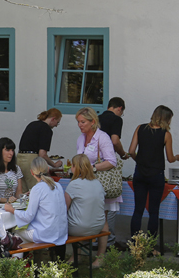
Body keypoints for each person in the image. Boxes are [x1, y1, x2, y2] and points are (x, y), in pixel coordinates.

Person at [128, 105, 179, 238]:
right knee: (154, 211)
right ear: (166, 119)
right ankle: (150, 245)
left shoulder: (140, 128)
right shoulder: (166, 134)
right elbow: (170, 158)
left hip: (140, 173)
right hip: (157, 174)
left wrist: (139, 160)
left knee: (138, 210)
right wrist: (178, 157)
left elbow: (131, 151)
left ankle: (135, 243)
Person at [76, 107, 122, 242]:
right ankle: (82, 251)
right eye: (78, 122)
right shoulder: (80, 138)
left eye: (83, 122)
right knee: (83, 217)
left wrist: (93, 168)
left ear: (93, 122)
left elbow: (112, 161)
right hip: (85, 184)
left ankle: (101, 255)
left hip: (100, 184)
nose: (80, 125)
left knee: (101, 218)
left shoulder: (102, 137)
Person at [5, 157, 68, 250]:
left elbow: (28, 216)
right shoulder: (57, 185)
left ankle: (22, 262)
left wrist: (12, 210)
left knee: (16, 232)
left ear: (32, 172)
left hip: (46, 233)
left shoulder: (37, 188)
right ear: (48, 169)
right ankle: (35, 259)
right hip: (61, 232)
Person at [64, 154, 108, 268]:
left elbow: (64, 208)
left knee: (69, 217)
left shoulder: (73, 184)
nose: (70, 169)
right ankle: (100, 258)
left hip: (79, 228)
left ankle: (75, 256)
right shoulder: (98, 183)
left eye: (72, 166)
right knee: (102, 219)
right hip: (98, 227)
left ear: (76, 167)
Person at [99, 97, 127, 249]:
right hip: (108, 164)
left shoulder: (97, 118)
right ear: (119, 108)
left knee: (97, 203)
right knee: (110, 203)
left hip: (94, 163)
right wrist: (122, 154)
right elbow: (115, 141)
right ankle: (109, 240)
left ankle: (95, 239)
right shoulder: (116, 120)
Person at [18, 108, 63, 193]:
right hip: (31, 160)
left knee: (23, 191)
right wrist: (54, 164)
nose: (56, 125)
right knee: (35, 189)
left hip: (19, 158)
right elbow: (42, 154)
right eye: (57, 122)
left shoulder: (32, 124)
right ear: (53, 119)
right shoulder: (46, 129)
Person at [0, 137, 23, 204]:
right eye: (7, 150)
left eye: (12, 150)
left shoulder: (17, 169)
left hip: (14, 206)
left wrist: (24, 196)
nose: (11, 153)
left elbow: (19, 193)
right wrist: (6, 200)